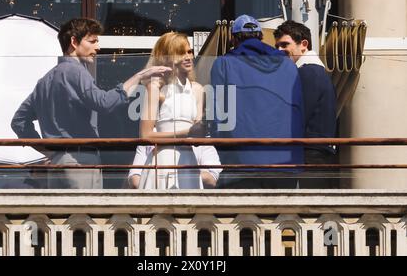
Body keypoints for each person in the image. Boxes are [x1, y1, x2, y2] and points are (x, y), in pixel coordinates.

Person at [11, 18, 171, 189]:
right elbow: (103, 103)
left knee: (64, 216)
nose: (98, 47)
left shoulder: (44, 81)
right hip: (80, 162)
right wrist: (139, 77)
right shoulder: (76, 71)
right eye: (92, 41)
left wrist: (49, 151)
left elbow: (19, 121)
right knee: (86, 215)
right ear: (74, 41)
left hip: (58, 163)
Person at [210, 14, 304, 189]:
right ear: (261, 37)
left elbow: (219, 115)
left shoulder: (224, 64)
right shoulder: (288, 65)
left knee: (239, 216)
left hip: (241, 163)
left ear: (234, 39)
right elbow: (297, 111)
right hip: (285, 162)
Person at [134, 31, 219, 189]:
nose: (188, 57)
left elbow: (198, 133)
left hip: (188, 160)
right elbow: (145, 135)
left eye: (189, 51)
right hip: (161, 160)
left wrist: (202, 128)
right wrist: (187, 133)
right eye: (181, 53)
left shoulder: (198, 89)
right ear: (167, 57)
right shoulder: (155, 88)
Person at [274, 20, 337, 187]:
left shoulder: (308, 72)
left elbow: (298, 117)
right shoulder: (316, 71)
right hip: (315, 157)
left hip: (310, 158)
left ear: (304, 44)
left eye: (284, 44)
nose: (279, 50)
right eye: (277, 46)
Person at [128, 145, 222, 189]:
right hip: (154, 204)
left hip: (191, 205)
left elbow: (211, 179)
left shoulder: (204, 144)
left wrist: (168, 176)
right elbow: (135, 180)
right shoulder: (147, 142)